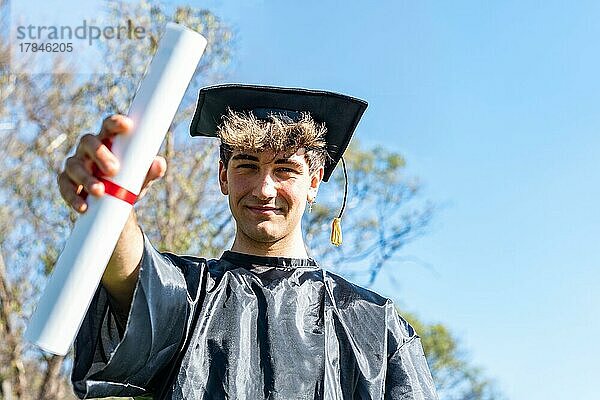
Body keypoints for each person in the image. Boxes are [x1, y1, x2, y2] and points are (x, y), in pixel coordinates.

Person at [59, 84, 438, 399]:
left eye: (286, 169)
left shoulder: (373, 323)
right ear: (223, 176)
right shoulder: (190, 296)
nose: (264, 188)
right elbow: (132, 273)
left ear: (314, 181)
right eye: (247, 166)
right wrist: (111, 201)